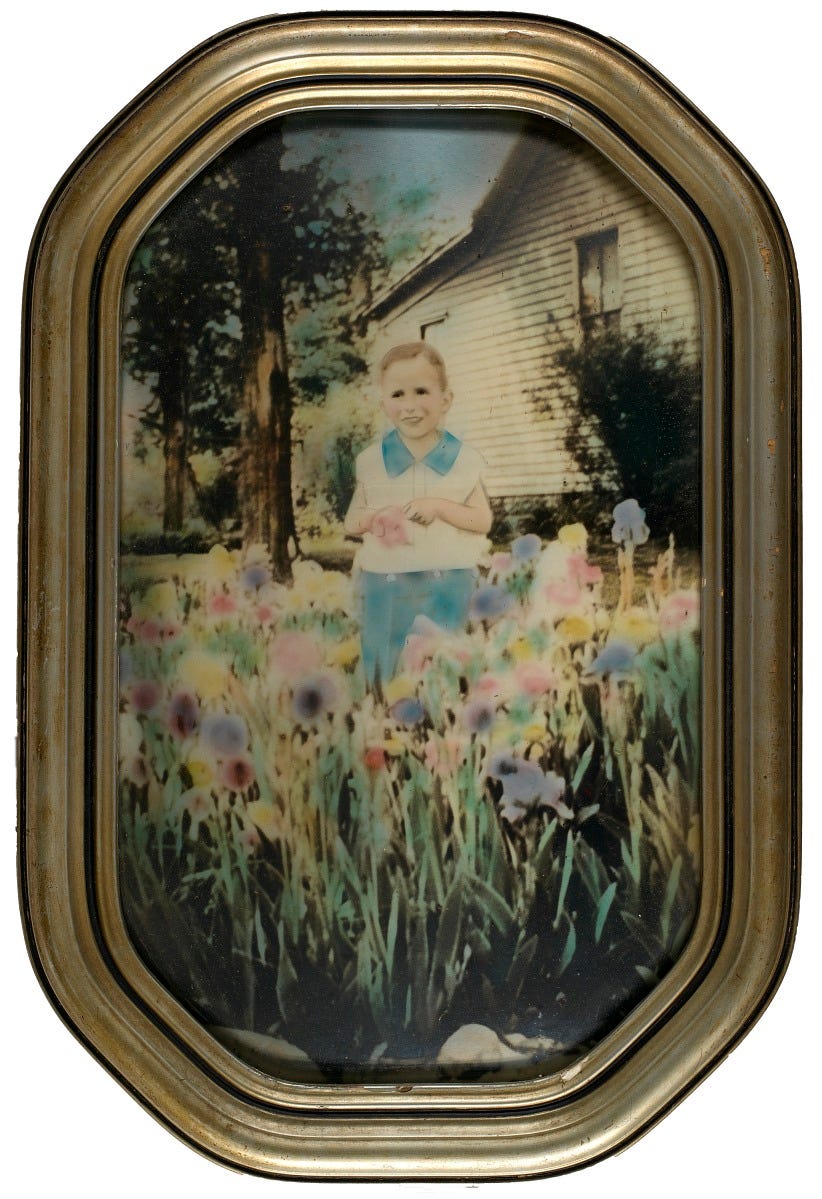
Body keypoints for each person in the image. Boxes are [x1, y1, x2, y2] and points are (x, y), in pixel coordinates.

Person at [344, 341, 493, 685]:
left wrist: (439, 507)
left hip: (448, 577)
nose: (410, 406)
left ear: (445, 400)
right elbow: (352, 520)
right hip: (386, 579)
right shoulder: (372, 461)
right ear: (384, 404)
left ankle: (442, 731)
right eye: (398, 395)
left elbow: (482, 520)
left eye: (421, 392)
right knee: (385, 666)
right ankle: (384, 725)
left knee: (444, 665)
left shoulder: (462, 459)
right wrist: (372, 518)